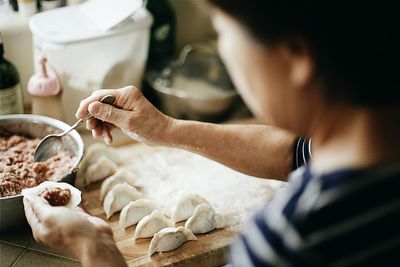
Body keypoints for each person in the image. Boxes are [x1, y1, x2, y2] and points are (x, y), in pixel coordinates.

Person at [23, 0, 400, 266]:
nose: (225, 51)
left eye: (222, 33)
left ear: (297, 55)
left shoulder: (294, 238)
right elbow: (298, 154)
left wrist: (95, 248)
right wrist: (165, 129)